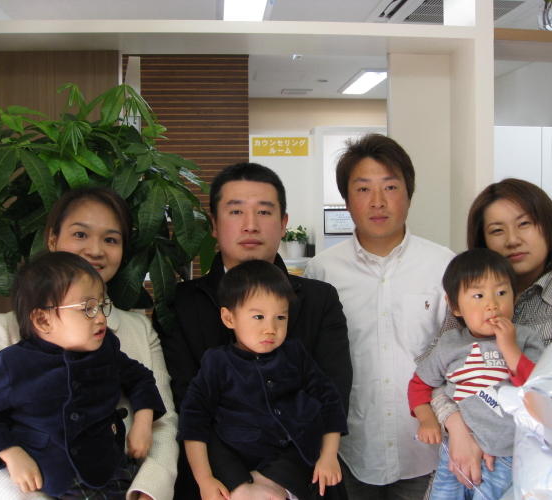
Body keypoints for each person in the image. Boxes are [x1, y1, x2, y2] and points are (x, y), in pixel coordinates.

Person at [0, 187, 179, 500]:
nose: (96, 250)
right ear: (52, 239)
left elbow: (164, 422)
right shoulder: (3, 332)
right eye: (80, 234)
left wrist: (147, 492)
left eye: (111, 239)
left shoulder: (135, 330)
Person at [159, 162, 352, 499]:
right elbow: (187, 403)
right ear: (214, 225)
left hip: (304, 478)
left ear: (284, 223)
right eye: (236, 212)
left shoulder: (319, 300)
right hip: (214, 487)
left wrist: (273, 481)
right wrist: (238, 484)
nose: (250, 225)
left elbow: (330, 393)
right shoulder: (182, 303)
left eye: (264, 211)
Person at [430, 178, 552, 490]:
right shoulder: (469, 301)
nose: (513, 240)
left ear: (548, 227)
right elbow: (434, 377)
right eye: (497, 230)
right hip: (465, 469)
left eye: (525, 224)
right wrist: (458, 428)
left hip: (549, 481)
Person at [305, 133, 455, 499]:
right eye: (363, 189)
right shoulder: (322, 271)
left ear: (409, 194)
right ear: (346, 200)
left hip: (427, 451)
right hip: (349, 451)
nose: (377, 201)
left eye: (390, 187)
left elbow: (459, 358)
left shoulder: (443, 266)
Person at [180, 260, 348, 500]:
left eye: (281, 317)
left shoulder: (295, 354)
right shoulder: (217, 363)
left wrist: (329, 455)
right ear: (229, 318)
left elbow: (329, 400)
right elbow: (193, 422)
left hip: (300, 465)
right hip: (239, 469)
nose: (271, 328)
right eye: (258, 316)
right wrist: (205, 479)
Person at [408, 249, 544, 499]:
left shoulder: (525, 338)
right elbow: (419, 385)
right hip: (455, 450)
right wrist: (427, 419)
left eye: (501, 293)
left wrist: (509, 348)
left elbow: (539, 390)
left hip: (507, 455)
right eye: (478, 296)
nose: (492, 304)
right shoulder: (450, 344)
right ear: (455, 306)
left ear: (515, 296)